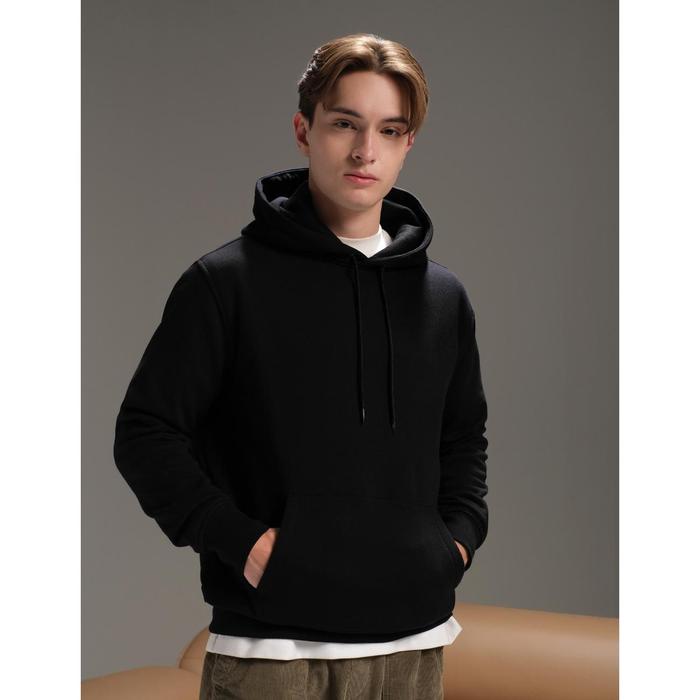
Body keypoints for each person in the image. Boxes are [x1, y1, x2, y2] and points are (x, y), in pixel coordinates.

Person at [113, 32, 489, 700]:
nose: (365, 150)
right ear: (303, 130)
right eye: (345, 123)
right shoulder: (225, 283)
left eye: (389, 130)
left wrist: (453, 544)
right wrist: (245, 544)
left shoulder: (442, 298)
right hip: (272, 653)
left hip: (413, 647)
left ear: (408, 143)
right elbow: (146, 433)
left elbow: (462, 441)